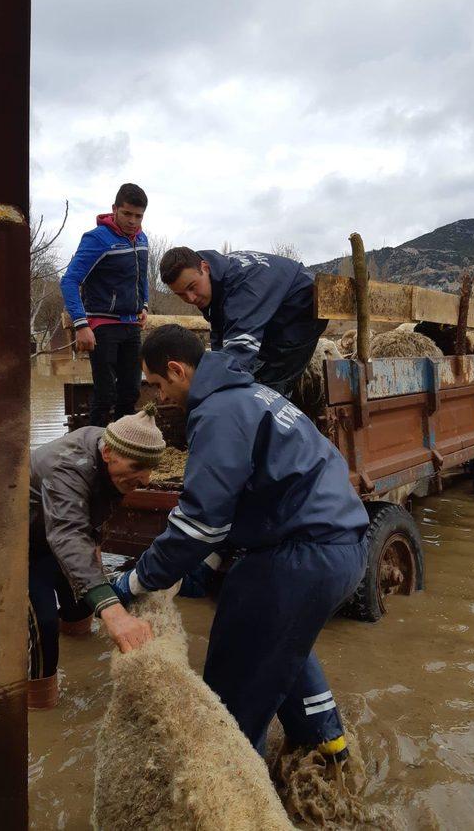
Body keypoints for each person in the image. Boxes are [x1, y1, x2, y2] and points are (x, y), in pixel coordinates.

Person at [112, 324, 369, 761]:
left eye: (157, 385)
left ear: (176, 370)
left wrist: (137, 581)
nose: (159, 398)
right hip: (341, 547)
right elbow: (247, 497)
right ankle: (329, 762)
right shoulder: (253, 394)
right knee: (284, 648)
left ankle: (235, 793)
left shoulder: (216, 413)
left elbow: (199, 523)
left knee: (228, 699)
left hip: (297, 557)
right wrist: (207, 563)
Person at [28, 404, 165, 709]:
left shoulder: (114, 450)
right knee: (44, 625)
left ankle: (75, 650)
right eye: (136, 470)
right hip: (19, 545)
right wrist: (114, 614)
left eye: (149, 470)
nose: (145, 480)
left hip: (61, 536)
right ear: (107, 455)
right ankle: (40, 707)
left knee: (80, 610)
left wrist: (97, 566)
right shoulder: (65, 465)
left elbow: (92, 516)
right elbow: (68, 534)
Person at [159, 246, 328, 396]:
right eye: (181, 294)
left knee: (269, 383)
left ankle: (276, 415)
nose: (191, 298)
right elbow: (220, 334)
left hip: (302, 305)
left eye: (192, 287)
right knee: (243, 373)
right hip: (275, 306)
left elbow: (239, 351)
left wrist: (208, 392)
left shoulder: (242, 287)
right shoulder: (216, 279)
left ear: (205, 267)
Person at [60, 183, 150, 426]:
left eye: (138, 216)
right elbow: (69, 280)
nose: (133, 221)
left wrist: (144, 305)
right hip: (103, 326)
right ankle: (96, 453)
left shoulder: (141, 238)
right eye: (127, 214)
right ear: (114, 209)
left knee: (130, 392)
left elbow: (142, 276)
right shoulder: (97, 239)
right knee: (105, 394)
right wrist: (81, 324)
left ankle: (122, 451)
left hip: (131, 326)